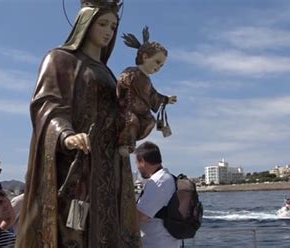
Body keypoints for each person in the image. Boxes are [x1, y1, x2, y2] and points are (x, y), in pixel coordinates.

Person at [16, 1, 140, 247]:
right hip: (76, 164)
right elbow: (47, 104)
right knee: (72, 229)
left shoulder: (108, 73)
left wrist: (135, 120)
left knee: (105, 228)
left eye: (113, 27)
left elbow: (118, 116)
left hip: (109, 168)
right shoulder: (60, 59)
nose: (108, 31)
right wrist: (65, 133)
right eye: (102, 24)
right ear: (85, 22)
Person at [116, 26, 177, 155]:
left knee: (150, 121)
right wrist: (124, 83)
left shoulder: (148, 80)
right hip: (127, 109)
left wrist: (166, 99)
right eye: (157, 62)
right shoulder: (132, 72)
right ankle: (126, 145)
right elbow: (121, 82)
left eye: (161, 65)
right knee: (131, 121)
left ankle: (131, 140)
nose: (158, 67)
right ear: (145, 57)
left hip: (143, 113)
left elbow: (153, 95)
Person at [134, 141, 178, 248]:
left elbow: (141, 215)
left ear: (142, 161)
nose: (137, 168)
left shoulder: (158, 182)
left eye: (136, 163)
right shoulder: (166, 178)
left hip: (156, 244)